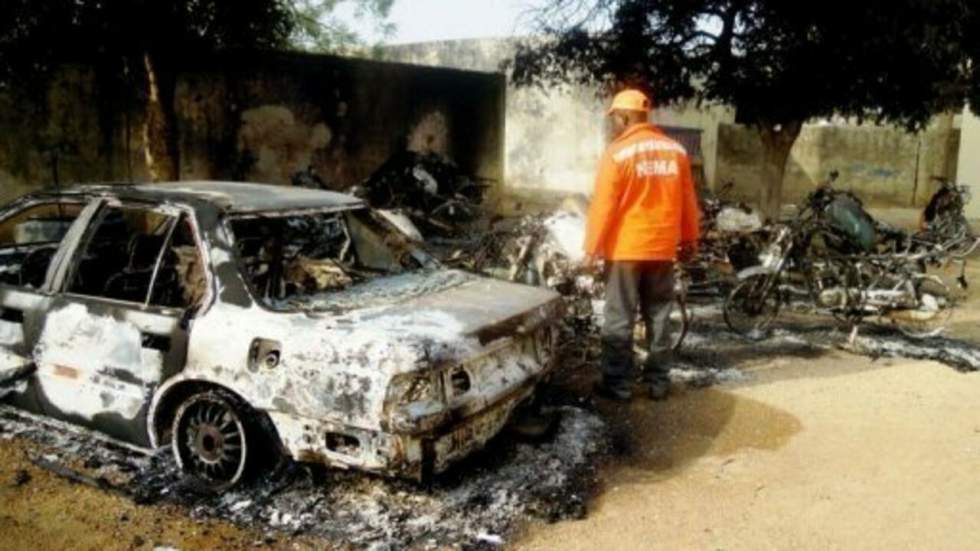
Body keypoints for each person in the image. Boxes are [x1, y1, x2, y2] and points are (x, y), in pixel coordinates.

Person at [584, 89, 701, 401]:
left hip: (625, 250)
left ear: (625, 116)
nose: (615, 123)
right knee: (660, 315)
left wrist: (590, 249)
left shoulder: (617, 153)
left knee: (619, 316)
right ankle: (658, 382)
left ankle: (617, 384)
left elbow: (603, 206)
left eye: (616, 118)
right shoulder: (676, 151)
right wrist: (690, 238)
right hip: (661, 249)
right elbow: (688, 201)